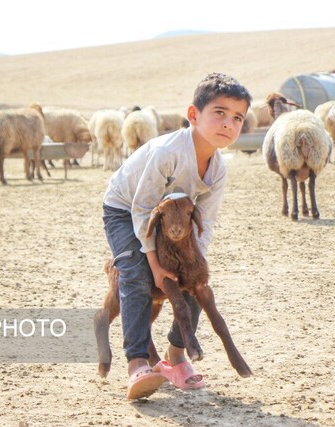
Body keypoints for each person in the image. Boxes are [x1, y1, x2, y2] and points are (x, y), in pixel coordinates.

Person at [102, 72, 252, 399]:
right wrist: (155, 265)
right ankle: (138, 363)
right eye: (220, 113)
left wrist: (193, 262)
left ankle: (175, 354)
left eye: (238, 118)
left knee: (193, 280)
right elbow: (141, 208)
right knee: (136, 275)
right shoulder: (168, 152)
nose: (229, 123)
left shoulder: (218, 169)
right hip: (125, 209)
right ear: (194, 115)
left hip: (170, 215)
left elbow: (205, 224)